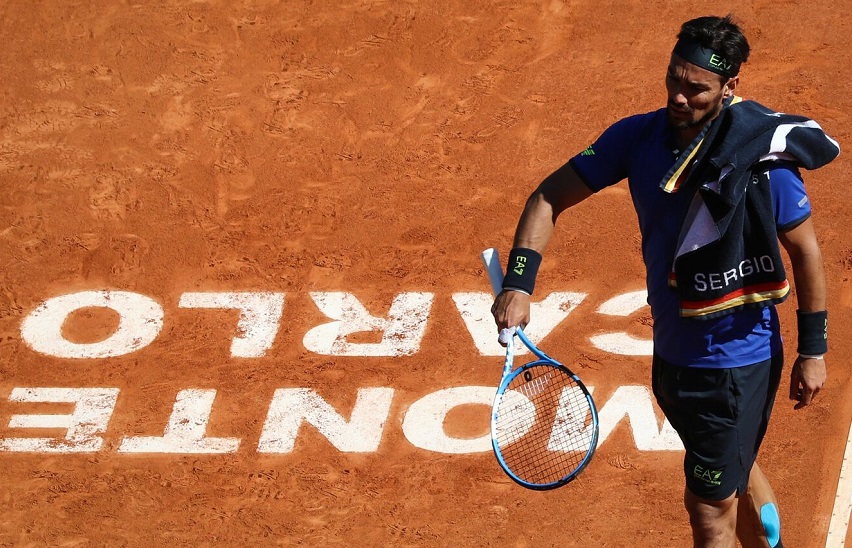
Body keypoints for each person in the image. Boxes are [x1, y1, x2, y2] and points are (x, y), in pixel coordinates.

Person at [489, 14, 839, 548]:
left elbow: (806, 253)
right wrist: (519, 281)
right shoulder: (637, 137)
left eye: (696, 88)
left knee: (708, 510)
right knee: (734, 470)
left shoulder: (762, 161)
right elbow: (548, 196)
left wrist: (812, 350)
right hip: (674, 354)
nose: (679, 96)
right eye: (674, 78)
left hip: (734, 365)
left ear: (729, 86)